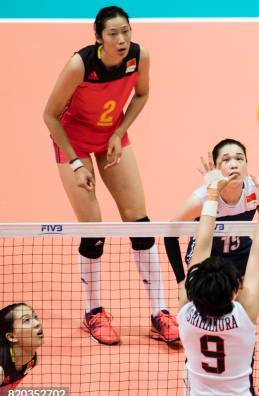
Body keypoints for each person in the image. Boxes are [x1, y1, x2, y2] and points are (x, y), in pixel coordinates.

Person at [42, 6, 178, 345]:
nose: (122, 39)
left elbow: (142, 94)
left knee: (140, 223)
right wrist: (75, 163)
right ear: (99, 37)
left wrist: (119, 133)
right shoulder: (81, 65)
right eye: (113, 33)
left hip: (110, 138)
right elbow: (50, 116)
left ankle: (159, 312)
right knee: (95, 230)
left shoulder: (139, 56)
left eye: (126, 31)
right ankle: (94, 312)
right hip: (73, 142)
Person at [165, 140, 259, 396]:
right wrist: (183, 279)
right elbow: (170, 233)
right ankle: (197, 380)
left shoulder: (255, 191)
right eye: (225, 159)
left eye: (239, 158)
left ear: (247, 164)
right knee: (218, 333)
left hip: (241, 268)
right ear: (215, 168)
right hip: (209, 275)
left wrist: (252, 269)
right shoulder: (203, 198)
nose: (234, 163)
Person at [0, 304, 44, 396]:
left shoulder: (32, 361)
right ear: (11, 337)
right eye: (26, 320)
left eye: (35, 317)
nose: (37, 323)